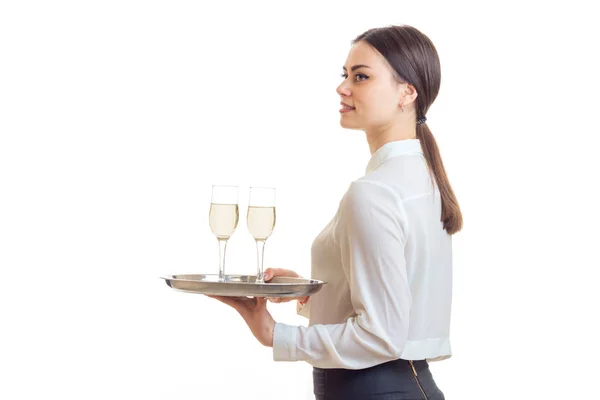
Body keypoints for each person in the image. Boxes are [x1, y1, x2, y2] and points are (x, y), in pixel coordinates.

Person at [207, 24, 463, 400]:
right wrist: (312, 290)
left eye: (361, 77)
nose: (343, 87)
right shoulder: (419, 177)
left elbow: (382, 335)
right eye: (345, 75)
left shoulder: (375, 191)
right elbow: (399, 301)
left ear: (407, 93)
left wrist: (274, 335)